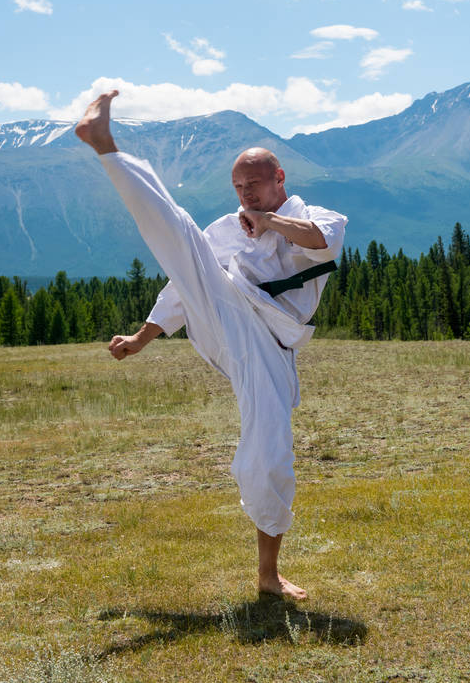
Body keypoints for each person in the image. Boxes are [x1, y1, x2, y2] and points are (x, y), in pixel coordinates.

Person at [75, 89, 347, 600]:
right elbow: (185, 282)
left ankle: (268, 575)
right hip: (225, 322)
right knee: (181, 236)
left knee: (269, 455)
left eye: (255, 184)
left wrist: (268, 222)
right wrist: (141, 338)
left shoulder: (319, 216)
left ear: (279, 179)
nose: (246, 194)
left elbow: (319, 241)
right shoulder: (224, 230)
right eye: (239, 186)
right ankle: (105, 145)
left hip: (268, 346)